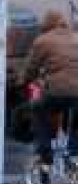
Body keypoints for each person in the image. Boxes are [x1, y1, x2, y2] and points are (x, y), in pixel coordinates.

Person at [21, 10, 78, 174]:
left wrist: (23, 81)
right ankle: (73, 155)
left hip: (57, 92)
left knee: (38, 109)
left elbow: (31, 69)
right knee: (76, 120)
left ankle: (45, 156)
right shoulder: (76, 37)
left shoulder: (42, 41)